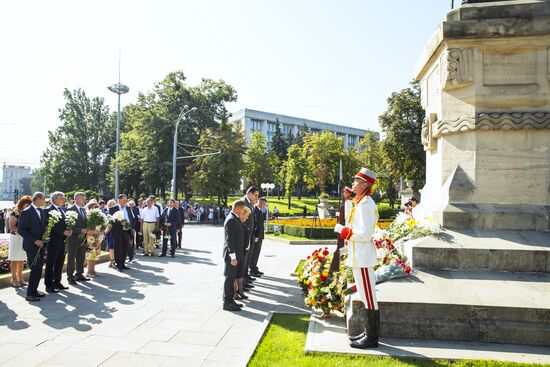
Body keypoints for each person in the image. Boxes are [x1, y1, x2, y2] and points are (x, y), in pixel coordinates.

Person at [334, 167, 380, 349]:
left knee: (369, 298)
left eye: (355, 181)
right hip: (358, 257)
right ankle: (368, 333)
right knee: (364, 295)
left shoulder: (367, 204)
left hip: (363, 258)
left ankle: (372, 337)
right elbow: (352, 220)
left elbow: (365, 233)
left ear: (364, 184)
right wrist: (346, 201)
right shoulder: (360, 202)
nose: (352, 183)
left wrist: (343, 231)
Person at [18, 192, 47, 302]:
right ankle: (29, 294)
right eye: (43, 199)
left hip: (41, 245)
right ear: (38, 199)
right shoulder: (27, 212)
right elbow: (21, 230)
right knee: (35, 268)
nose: (44, 201)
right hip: (31, 245)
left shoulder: (42, 211)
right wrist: (35, 241)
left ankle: (34, 290)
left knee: (39, 268)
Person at [44, 191, 72, 293]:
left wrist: (69, 230)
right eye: (61, 198)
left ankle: (57, 282)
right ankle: (49, 284)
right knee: (51, 263)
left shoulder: (63, 209)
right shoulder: (48, 211)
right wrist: (62, 231)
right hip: (53, 241)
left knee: (60, 262)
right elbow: (49, 227)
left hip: (62, 241)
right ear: (55, 199)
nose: (63, 200)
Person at [222, 200, 247, 312]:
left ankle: (231, 300)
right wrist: (233, 257)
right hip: (232, 256)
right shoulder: (231, 219)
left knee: (232, 279)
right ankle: (227, 303)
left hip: (236, 255)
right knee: (229, 279)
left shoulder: (235, 218)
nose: (243, 212)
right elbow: (230, 240)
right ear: (237, 208)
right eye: (242, 210)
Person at [66, 192, 92, 285]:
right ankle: (70, 276)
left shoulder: (83, 210)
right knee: (71, 258)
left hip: (82, 239)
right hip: (73, 239)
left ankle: (79, 274)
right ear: (76, 199)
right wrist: (81, 230)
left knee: (81, 257)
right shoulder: (70, 210)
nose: (84, 200)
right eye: (83, 198)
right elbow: (69, 226)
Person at [8, 196, 32, 288]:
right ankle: (13, 279)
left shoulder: (27, 213)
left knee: (21, 259)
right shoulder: (15, 212)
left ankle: (20, 278)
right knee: (14, 260)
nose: (28, 205)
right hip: (16, 238)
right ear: (22, 203)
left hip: (24, 238)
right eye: (27, 203)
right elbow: (12, 227)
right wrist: (23, 232)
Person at [109, 194, 135, 271]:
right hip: (117, 231)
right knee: (118, 248)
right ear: (119, 200)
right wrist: (120, 223)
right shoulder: (113, 208)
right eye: (124, 200)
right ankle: (118, 265)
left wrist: (132, 228)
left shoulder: (128, 208)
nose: (125, 201)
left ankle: (123, 264)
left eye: (126, 200)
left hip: (127, 231)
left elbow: (131, 218)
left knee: (125, 247)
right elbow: (111, 221)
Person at [241, 186, 259, 290]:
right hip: (245, 236)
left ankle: (245, 277)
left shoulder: (251, 204)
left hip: (250, 235)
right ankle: (242, 281)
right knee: (243, 260)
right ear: (250, 194)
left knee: (247, 258)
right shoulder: (243, 202)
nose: (257, 197)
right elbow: (242, 220)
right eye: (255, 195)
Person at [84, 199, 103, 278]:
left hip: (97, 237)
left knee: (95, 254)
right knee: (90, 254)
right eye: (95, 206)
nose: (97, 208)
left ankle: (92, 270)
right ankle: (89, 271)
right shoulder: (88, 215)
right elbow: (88, 228)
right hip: (90, 238)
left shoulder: (98, 216)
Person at [249, 197, 267, 278]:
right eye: (264, 204)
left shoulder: (259, 210)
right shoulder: (255, 210)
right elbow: (255, 224)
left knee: (257, 253)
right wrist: (256, 236)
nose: (265, 206)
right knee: (254, 253)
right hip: (256, 236)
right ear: (260, 202)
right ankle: (252, 270)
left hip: (260, 236)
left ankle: (254, 268)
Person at [105, 199, 116, 267]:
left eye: (110, 205)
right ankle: (112, 260)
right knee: (110, 247)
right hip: (108, 233)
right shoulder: (106, 212)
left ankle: (113, 260)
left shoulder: (116, 213)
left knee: (113, 247)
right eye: (108, 205)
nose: (109, 206)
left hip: (113, 232)